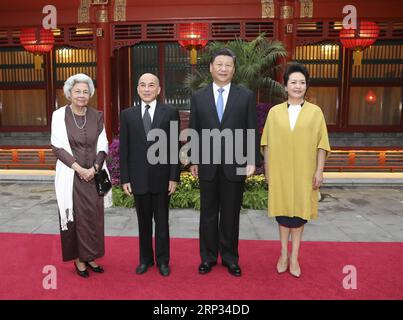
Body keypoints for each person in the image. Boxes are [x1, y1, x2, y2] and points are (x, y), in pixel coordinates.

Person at [188, 48, 260, 277]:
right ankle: (207, 258)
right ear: (211, 68)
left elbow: (251, 128)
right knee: (208, 214)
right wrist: (193, 160)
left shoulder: (245, 95)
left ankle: (230, 258)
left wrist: (251, 160)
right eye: (219, 64)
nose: (223, 69)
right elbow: (194, 131)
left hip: (235, 163)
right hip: (207, 164)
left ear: (234, 69)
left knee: (230, 214)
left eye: (228, 65)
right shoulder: (198, 96)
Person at [260, 62, 331, 278]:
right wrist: (269, 172)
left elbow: (322, 144)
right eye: (293, 82)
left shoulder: (315, 112)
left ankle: (294, 257)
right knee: (283, 215)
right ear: (286, 86)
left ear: (306, 86)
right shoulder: (274, 113)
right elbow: (267, 145)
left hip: (304, 171)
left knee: (299, 216)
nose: (297, 86)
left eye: (302, 82)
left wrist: (319, 171)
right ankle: (283, 254)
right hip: (280, 171)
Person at [120, 73, 180, 277]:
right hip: (138, 179)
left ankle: (163, 261)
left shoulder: (170, 112)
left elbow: (173, 147)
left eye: (151, 85)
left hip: (162, 179)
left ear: (158, 89)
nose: (147, 89)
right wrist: (125, 179)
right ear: (138, 89)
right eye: (143, 85)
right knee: (143, 223)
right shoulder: (127, 115)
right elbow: (124, 150)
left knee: (162, 223)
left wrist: (174, 177)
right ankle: (145, 260)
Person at [51, 73, 109, 278]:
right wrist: (80, 169)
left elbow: (103, 145)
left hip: (93, 176)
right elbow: (57, 147)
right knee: (77, 218)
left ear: (90, 94)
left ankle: (90, 255)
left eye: (86, 91)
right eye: (77, 91)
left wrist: (94, 168)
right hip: (72, 176)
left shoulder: (97, 115)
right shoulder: (59, 116)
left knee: (94, 218)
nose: (82, 95)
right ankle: (79, 258)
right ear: (69, 93)